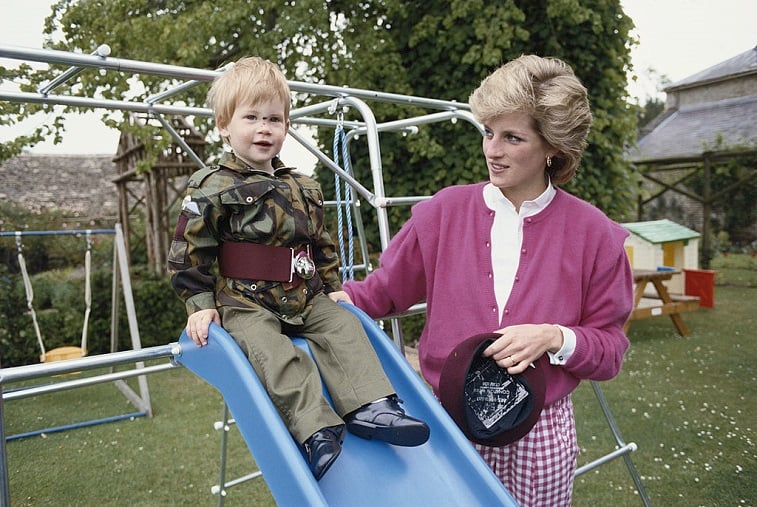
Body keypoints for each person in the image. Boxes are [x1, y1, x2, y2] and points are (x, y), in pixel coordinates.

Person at [329, 54, 634, 505]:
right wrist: (321, 301)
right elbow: (380, 293)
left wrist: (553, 337)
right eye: (489, 132)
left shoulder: (596, 236)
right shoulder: (441, 214)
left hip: (541, 434)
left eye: (513, 137)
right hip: (447, 422)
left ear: (552, 147)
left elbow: (609, 352)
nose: (492, 149)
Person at [167, 56, 429, 481]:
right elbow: (188, 251)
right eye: (251, 117)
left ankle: (372, 407)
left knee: (345, 326)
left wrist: (332, 287)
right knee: (272, 352)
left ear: (287, 125)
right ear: (223, 124)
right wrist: (199, 304)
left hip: (304, 294)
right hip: (246, 301)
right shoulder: (210, 186)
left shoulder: (305, 186)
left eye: (274, 118)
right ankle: (316, 429)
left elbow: (321, 245)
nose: (264, 128)